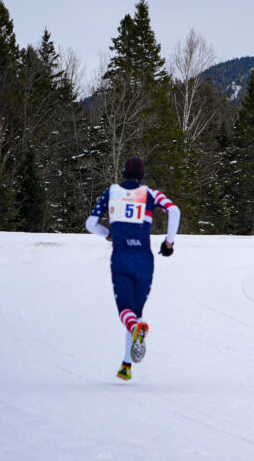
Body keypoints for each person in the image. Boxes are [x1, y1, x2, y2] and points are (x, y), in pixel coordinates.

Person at [86, 156, 180, 381]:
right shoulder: (151, 194)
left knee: (125, 311)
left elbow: (90, 224)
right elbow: (174, 211)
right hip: (144, 259)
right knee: (136, 313)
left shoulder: (111, 192)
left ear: (124, 173)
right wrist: (169, 243)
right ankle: (126, 365)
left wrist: (108, 234)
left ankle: (132, 346)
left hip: (121, 257)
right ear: (142, 175)